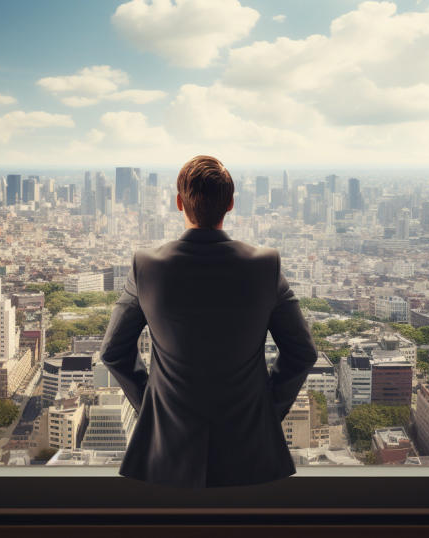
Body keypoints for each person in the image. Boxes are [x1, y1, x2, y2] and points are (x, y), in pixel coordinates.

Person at [99, 155, 318, 488]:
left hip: (165, 456)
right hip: (251, 453)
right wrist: (266, 411)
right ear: (230, 204)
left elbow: (114, 351)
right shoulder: (265, 265)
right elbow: (302, 352)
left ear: (178, 202)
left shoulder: (147, 267)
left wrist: (154, 408)